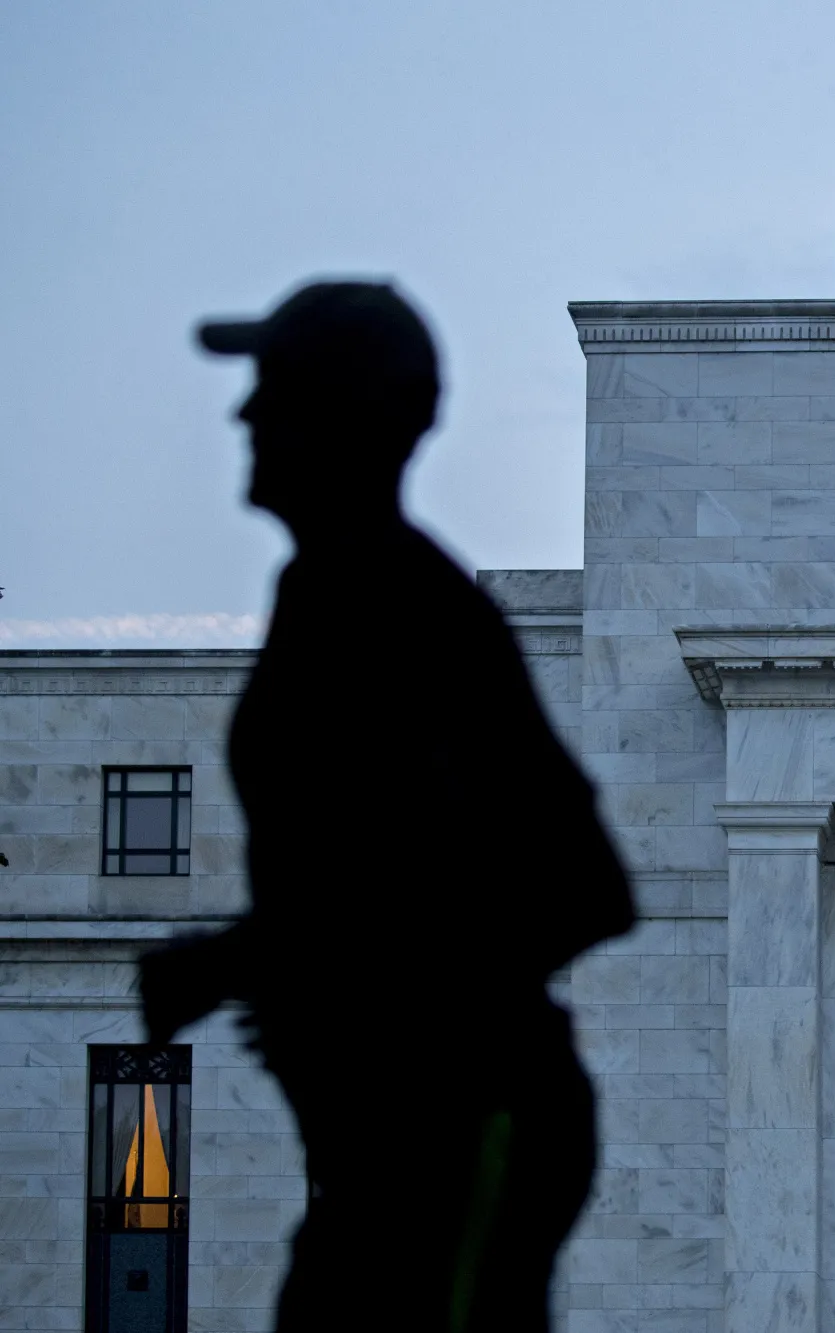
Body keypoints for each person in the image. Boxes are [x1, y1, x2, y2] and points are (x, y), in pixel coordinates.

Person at [137, 281, 634, 1333]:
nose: (246, 417)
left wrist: (263, 963)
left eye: (274, 391)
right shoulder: (327, 593)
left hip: (458, 1121)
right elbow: (377, 872)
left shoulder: (406, 606)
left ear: (348, 415)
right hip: (385, 1134)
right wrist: (252, 956)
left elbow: (585, 883)